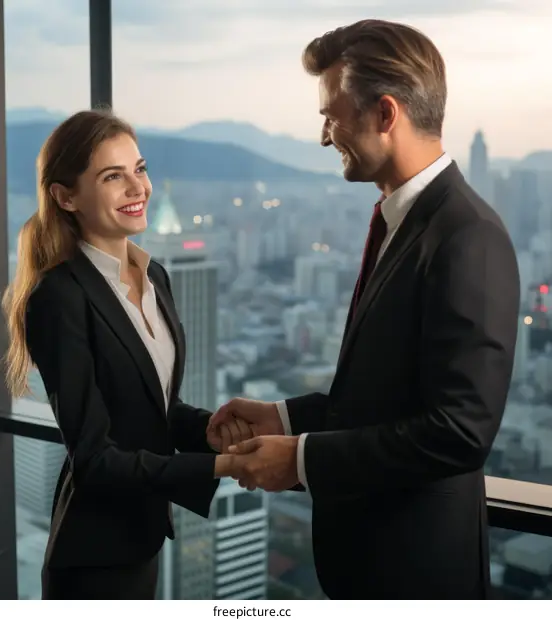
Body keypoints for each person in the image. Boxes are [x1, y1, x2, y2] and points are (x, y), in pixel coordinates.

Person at [210, 20, 520, 599]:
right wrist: (284, 417)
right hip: (376, 569)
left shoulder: (467, 236)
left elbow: (458, 432)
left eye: (332, 114)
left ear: (385, 114)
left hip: (418, 578)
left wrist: (299, 461)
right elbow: (386, 397)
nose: (326, 135)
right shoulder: (404, 223)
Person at [2, 109, 250, 599]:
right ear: (65, 196)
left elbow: (149, 406)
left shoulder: (155, 278)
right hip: (94, 561)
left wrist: (212, 431)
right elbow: (94, 459)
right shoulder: (58, 299)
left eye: (139, 168)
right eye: (113, 177)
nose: (137, 188)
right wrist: (223, 468)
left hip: (143, 541)